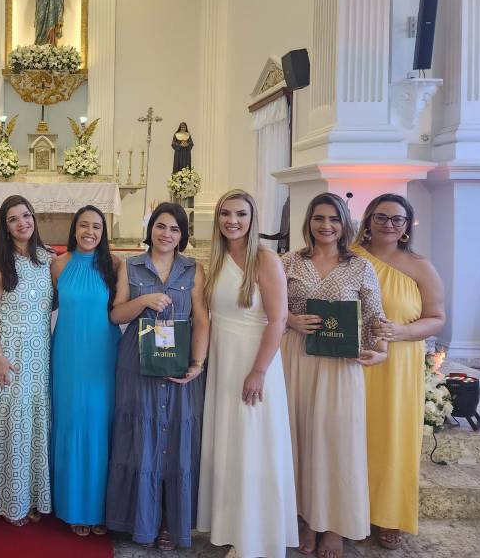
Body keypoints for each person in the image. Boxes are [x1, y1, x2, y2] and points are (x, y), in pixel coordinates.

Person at [281, 192, 387, 558]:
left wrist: (382, 350)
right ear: (308, 222)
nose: (325, 226)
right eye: (318, 218)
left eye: (333, 219)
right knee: (298, 437)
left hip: (340, 365)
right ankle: (306, 519)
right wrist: (291, 320)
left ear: (345, 224)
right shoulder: (288, 262)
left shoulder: (360, 266)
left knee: (337, 441)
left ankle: (335, 525)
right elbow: (268, 307)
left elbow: (374, 317)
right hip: (297, 358)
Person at [196, 190, 298, 558]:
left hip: (254, 361)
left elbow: (279, 319)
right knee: (229, 445)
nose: (232, 221)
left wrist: (258, 371)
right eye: (225, 214)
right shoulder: (216, 259)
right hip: (223, 360)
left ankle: (256, 538)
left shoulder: (265, 260)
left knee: (253, 445)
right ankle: (232, 528)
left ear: (253, 218)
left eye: (240, 214)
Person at [106, 202, 209, 552]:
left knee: (175, 441)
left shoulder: (193, 269)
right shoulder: (130, 265)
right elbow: (117, 314)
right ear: (150, 229)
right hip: (137, 363)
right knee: (141, 439)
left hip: (177, 364)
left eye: (175, 229)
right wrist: (144, 301)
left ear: (183, 236)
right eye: (161, 226)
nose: (166, 234)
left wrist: (197, 364)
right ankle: (138, 519)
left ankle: (168, 519)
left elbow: (202, 319)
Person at [353, 194, 445, 550]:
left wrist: (403, 331)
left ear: (407, 226)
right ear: (368, 220)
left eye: (397, 219)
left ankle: (389, 515)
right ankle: (348, 510)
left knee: (392, 439)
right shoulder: (349, 256)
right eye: (381, 217)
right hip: (354, 359)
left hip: (398, 366)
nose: (388, 225)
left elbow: (436, 317)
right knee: (350, 435)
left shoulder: (420, 266)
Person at [0, 195, 53, 525]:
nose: (22, 222)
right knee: (10, 426)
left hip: (40, 356)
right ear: (5, 227)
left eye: (26, 215)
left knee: (33, 426)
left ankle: (31, 495)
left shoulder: (47, 258)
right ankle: (7, 500)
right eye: (13, 218)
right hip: (10, 353)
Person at [50, 205, 121, 537]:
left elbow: (120, 309)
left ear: (103, 232)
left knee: (99, 424)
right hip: (67, 353)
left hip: (101, 352)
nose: (89, 232)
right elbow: (43, 306)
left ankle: (100, 508)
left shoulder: (115, 265)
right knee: (71, 422)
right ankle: (73, 506)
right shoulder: (58, 264)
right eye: (83, 225)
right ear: (74, 229)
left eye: (96, 226)